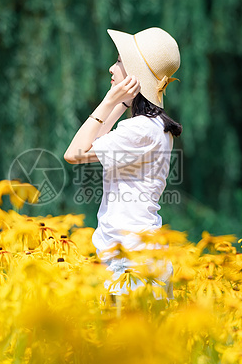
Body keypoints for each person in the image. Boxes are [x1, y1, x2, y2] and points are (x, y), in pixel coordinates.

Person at [64, 27, 182, 299]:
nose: (111, 68)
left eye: (119, 61)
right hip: (137, 257)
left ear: (135, 75)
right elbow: (96, 142)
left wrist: (109, 100)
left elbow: (75, 152)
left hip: (131, 265)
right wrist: (123, 101)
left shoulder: (140, 130)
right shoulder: (154, 127)